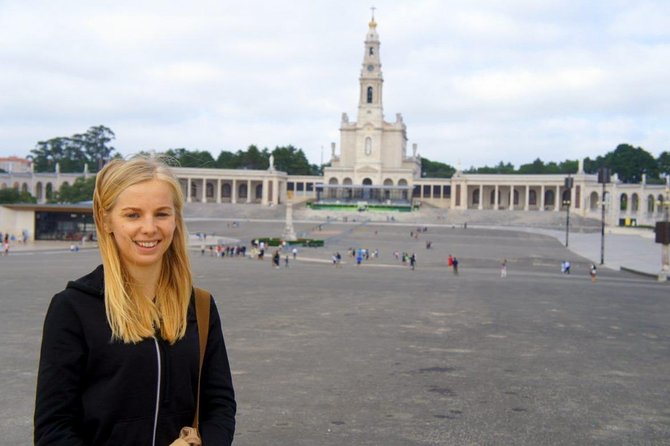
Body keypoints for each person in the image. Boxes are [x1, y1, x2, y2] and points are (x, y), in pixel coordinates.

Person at [34, 156, 236, 445]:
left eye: (162, 214)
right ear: (106, 221)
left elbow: (219, 406)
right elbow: (54, 429)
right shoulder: (73, 309)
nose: (150, 228)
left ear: (176, 220)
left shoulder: (201, 307)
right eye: (133, 215)